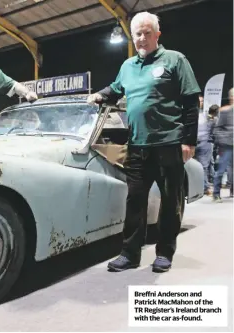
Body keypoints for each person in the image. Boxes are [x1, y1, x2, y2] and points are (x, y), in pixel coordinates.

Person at [87, 11, 200, 273]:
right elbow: (115, 89)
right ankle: (130, 254)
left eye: (147, 33)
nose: (141, 38)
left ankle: (164, 253)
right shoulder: (127, 66)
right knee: (135, 202)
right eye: (137, 33)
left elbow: (190, 103)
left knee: (170, 202)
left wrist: (188, 142)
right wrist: (98, 95)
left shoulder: (175, 60)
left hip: (169, 144)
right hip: (137, 146)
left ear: (157, 35)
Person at [212, 88, 233, 202]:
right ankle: (215, 194)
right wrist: (224, 141)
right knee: (221, 170)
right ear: (231, 97)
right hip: (226, 145)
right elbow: (217, 129)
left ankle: (232, 191)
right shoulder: (224, 111)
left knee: (232, 171)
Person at [195, 104, 218, 195]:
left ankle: (203, 185)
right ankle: (205, 187)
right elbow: (212, 132)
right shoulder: (207, 118)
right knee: (204, 166)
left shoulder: (197, 115)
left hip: (195, 142)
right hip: (205, 142)